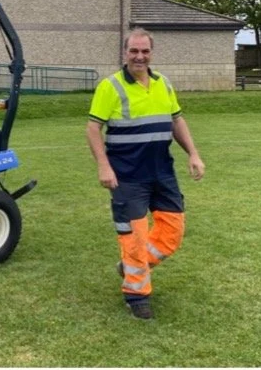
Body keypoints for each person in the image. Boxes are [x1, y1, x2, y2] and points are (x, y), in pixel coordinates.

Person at [86, 28, 205, 320]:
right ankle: (136, 295)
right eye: (134, 51)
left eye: (145, 51)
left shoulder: (163, 83)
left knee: (172, 233)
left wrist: (193, 153)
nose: (139, 56)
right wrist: (103, 165)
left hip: (162, 172)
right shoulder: (110, 86)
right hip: (127, 177)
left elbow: (176, 120)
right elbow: (92, 128)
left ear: (151, 53)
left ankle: (130, 266)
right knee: (134, 238)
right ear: (125, 52)